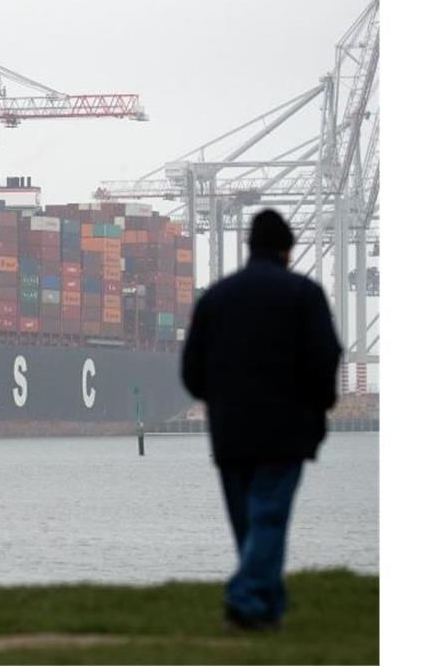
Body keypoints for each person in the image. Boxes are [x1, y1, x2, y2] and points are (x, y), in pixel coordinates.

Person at [181, 209, 342, 631]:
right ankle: (246, 598)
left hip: (230, 433)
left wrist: (217, 399)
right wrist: (319, 405)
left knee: (248, 522)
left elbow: (190, 372)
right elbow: (327, 358)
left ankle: (266, 607)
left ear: (250, 248)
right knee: (269, 516)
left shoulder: (215, 298)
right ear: (287, 250)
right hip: (287, 431)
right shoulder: (304, 294)